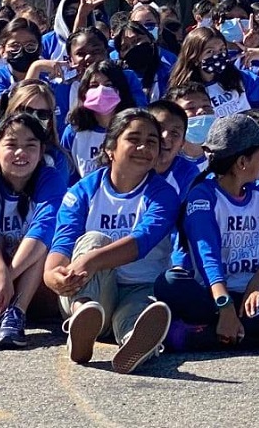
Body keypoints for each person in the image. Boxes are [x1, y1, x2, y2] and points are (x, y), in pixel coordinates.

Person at [156, 113, 259, 353]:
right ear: (242, 163)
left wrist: (256, 284)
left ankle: (202, 336)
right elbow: (207, 255)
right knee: (169, 283)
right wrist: (225, 306)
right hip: (214, 296)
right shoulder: (203, 196)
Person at [45, 108, 181, 373]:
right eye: (134, 139)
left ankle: (134, 343)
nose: (143, 147)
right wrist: (51, 275)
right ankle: (82, 322)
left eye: (151, 141)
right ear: (110, 148)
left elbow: (141, 241)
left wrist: (91, 259)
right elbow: (63, 241)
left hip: (140, 286)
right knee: (94, 238)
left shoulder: (164, 195)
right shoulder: (83, 191)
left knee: (143, 313)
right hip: (89, 289)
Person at [0, 108, 67, 346]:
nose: (21, 153)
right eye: (11, 145)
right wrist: (0, 273)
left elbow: (44, 228)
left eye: (30, 145)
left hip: (32, 279)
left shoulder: (50, 179)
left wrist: (7, 277)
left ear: (41, 152)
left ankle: (16, 313)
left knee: (41, 246)